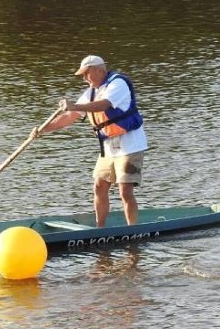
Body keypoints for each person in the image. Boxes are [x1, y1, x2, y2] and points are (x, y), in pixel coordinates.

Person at [36, 55, 147, 227]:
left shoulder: (118, 84)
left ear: (99, 70)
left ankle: (132, 229)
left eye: (86, 74)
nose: (84, 78)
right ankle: (99, 228)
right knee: (99, 186)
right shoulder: (91, 92)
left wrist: (75, 105)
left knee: (125, 190)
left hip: (130, 145)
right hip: (109, 148)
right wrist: (43, 129)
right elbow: (69, 117)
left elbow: (103, 105)